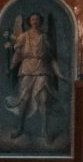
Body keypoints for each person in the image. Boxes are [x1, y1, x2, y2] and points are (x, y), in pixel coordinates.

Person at [4, 12, 67, 140]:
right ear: (29, 21)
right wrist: (11, 68)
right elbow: (17, 54)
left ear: (40, 22)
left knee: (44, 100)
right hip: (27, 69)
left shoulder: (45, 37)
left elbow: (51, 59)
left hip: (43, 70)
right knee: (24, 100)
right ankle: (20, 128)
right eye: (32, 19)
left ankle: (45, 131)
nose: (35, 22)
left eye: (37, 19)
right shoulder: (23, 36)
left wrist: (59, 73)